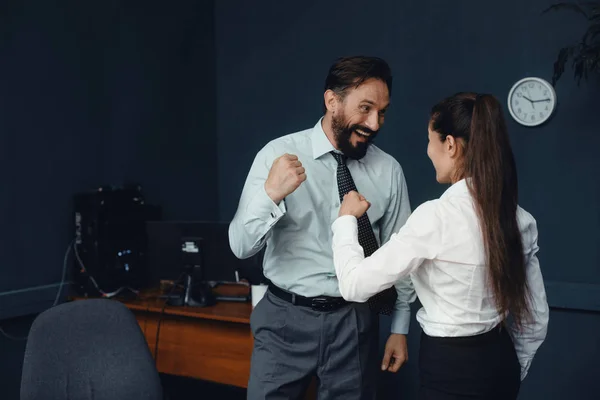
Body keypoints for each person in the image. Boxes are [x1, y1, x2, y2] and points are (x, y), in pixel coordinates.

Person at [331, 92, 549, 400]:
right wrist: (513, 368)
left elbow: (354, 285)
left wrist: (345, 221)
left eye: (429, 140)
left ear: (450, 144)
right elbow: (535, 318)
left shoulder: (436, 217)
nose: (428, 151)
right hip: (501, 364)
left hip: (451, 370)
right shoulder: (520, 218)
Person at [229, 56, 415, 399]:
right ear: (332, 101)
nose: (374, 123)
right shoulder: (277, 155)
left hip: (354, 323)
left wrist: (400, 328)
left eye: (383, 112)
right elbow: (241, 246)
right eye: (365, 108)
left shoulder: (388, 171)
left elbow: (399, 255)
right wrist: (271, 194)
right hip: (284, 317)